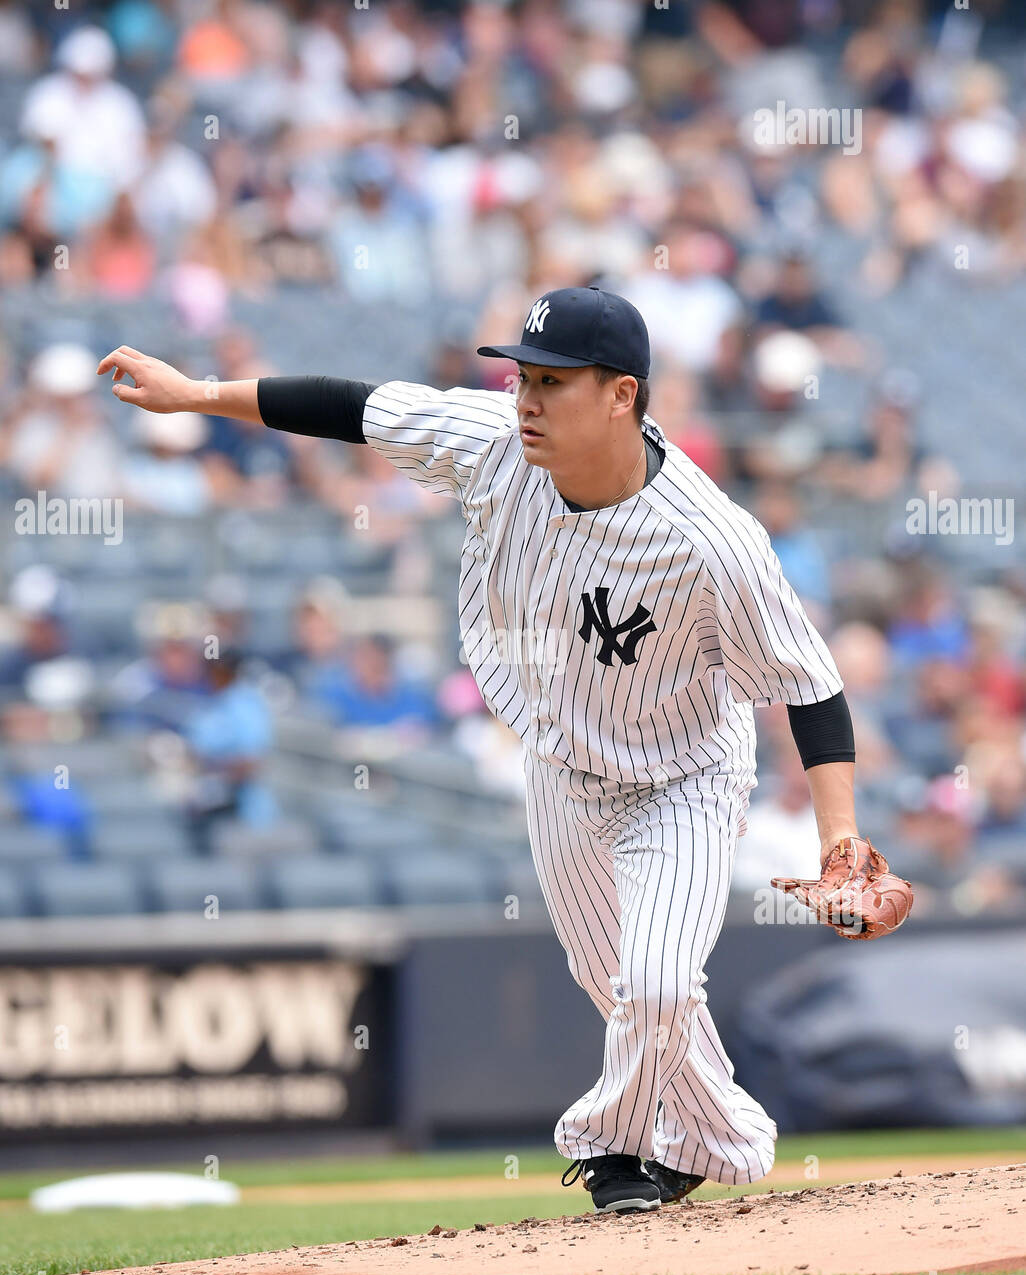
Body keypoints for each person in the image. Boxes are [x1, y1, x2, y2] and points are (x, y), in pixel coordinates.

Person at [97, 285, 909, 1214]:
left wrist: (840, 842)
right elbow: (349, 405)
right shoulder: (491, 439)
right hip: (558, 762)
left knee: (655, 979)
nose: (525, 398)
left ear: (622, 395)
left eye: (553, 382)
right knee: (619, 988)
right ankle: (699, 1140)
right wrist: (198, 395)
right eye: (521, 376)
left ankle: (607, 1147)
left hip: (681, 776)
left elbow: (811, 685)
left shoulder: (713, 542)